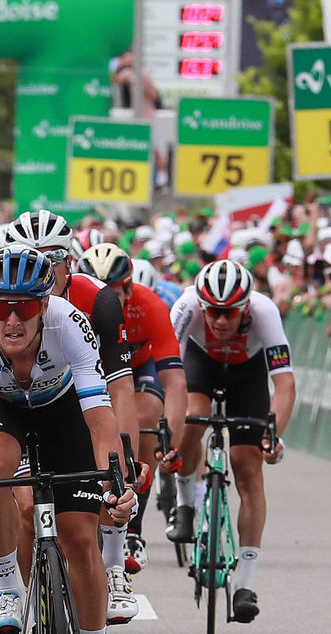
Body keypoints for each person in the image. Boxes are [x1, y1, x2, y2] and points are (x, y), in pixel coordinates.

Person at [4, 211, 145, 622]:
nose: (13, 318)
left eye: (25, 307)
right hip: (10, 412)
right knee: (23, 500)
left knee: (81, 537)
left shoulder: (77, 316)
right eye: (3, 308)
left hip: (64, 410)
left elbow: (106, 408)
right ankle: (13, 590)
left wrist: (117, 476)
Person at [168, 260, 296, 622]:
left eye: (229, 313)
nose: (220, 321)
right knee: (192, 419)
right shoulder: (186, 307)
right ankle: (184, 504)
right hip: (199, 364)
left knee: (248, 469)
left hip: (248, 373)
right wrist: (169, 431)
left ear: (246, 308)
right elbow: (169, 376)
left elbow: (285, 385)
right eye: (213, 312)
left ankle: (246, 583)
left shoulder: (266, 312)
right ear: (201, 305)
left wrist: (273, 435)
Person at [78, 244, 187, 577]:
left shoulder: (150, 304)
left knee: (142, 417)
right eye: (97, 292)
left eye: (112, 292)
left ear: (128, 287)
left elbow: (176, 384)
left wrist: (173, 443)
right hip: (93, 371)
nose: (104, 301)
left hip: (138, 370)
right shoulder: (75, 304)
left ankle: (133, 527)